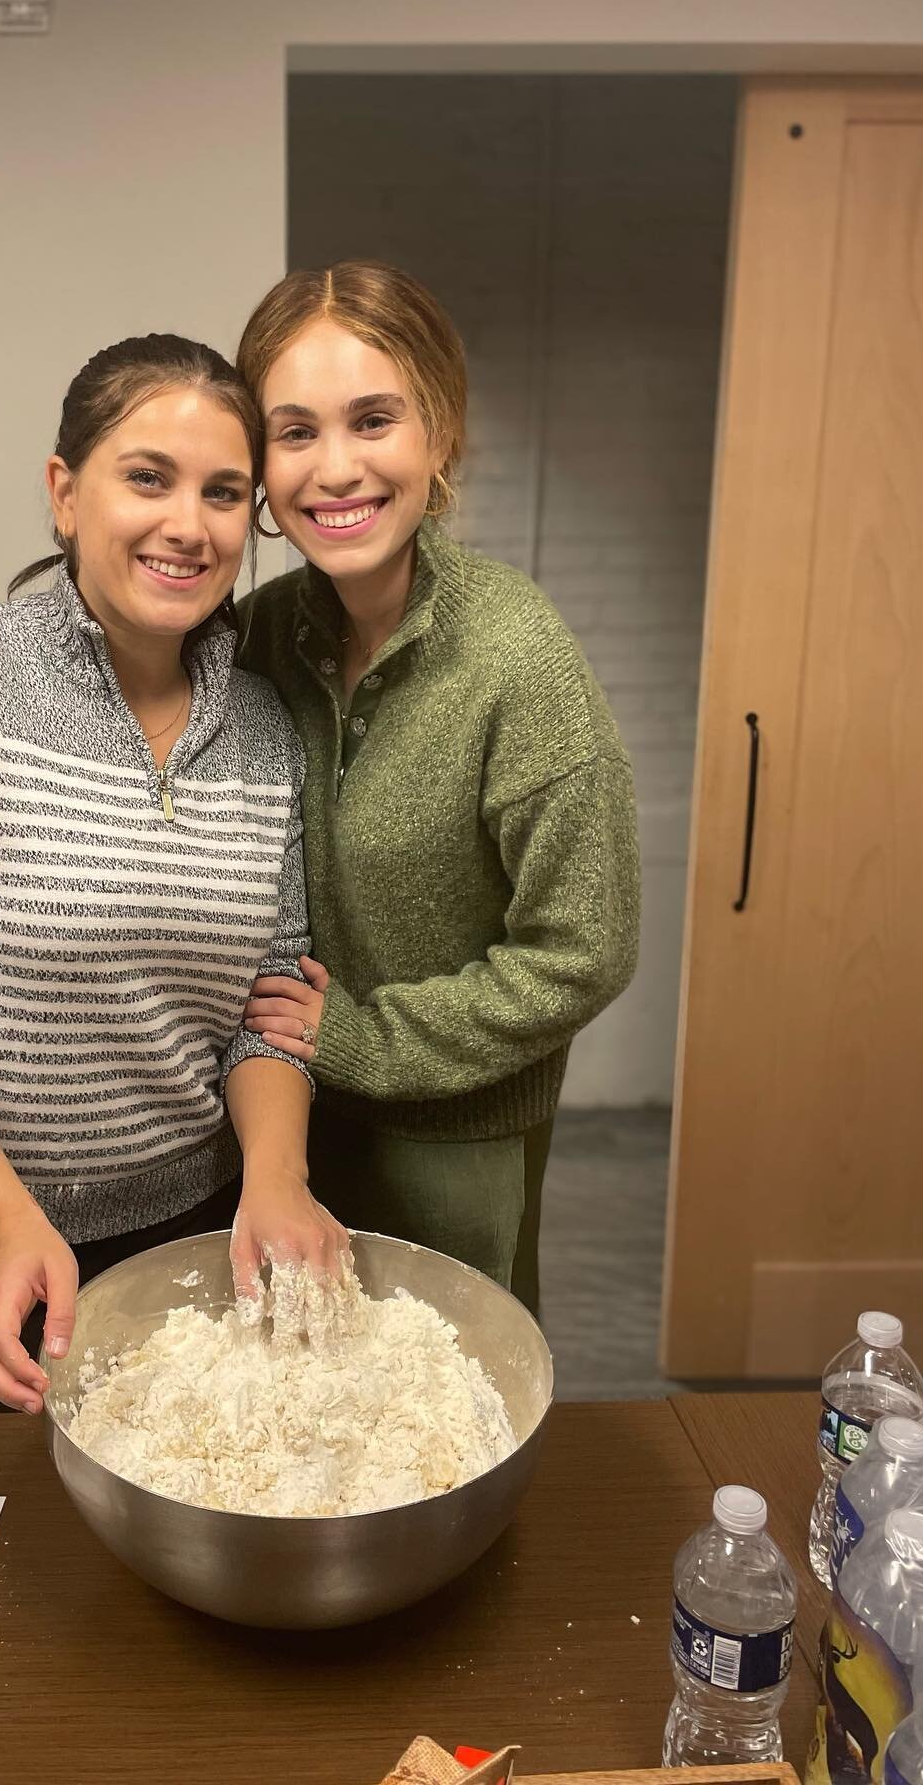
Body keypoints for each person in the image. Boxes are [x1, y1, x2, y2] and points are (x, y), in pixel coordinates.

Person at [0, 335, 349, 1416]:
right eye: (147, 478)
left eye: (224, 493)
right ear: (64, 493)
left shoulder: (262, 731)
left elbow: (270, 999)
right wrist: (9, 1221)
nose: (187, 525)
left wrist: (277, 1179)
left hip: (185, 1236)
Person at [234, 263, 641, 1314]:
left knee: (436, 1419)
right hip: (279, 1116)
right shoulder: (266, 633)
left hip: (452, 1143)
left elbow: (585, 949)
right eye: (295, 432)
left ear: (441, 432)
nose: (336, 469)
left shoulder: (518, 657)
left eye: (374, 420)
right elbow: (124, 668)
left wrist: (364, 1038)